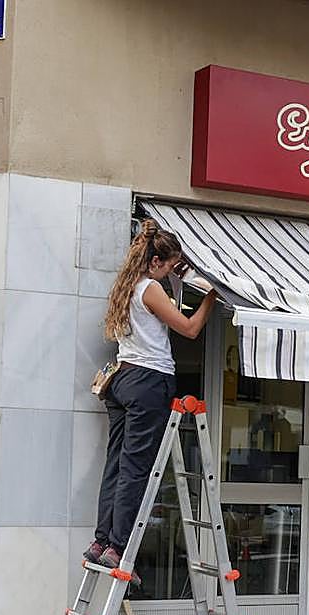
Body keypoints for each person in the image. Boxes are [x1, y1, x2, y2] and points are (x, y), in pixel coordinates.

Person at [84, 219, 218, 576]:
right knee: (136, 469)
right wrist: (212, 295)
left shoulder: (127, 285)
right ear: (156, 261)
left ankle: (102, 541)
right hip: (149, 380)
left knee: (116, 464)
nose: (172, 272)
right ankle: (118, 545)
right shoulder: (150, 289)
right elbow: (189, 329)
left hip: (123, 378)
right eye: (171, 266)